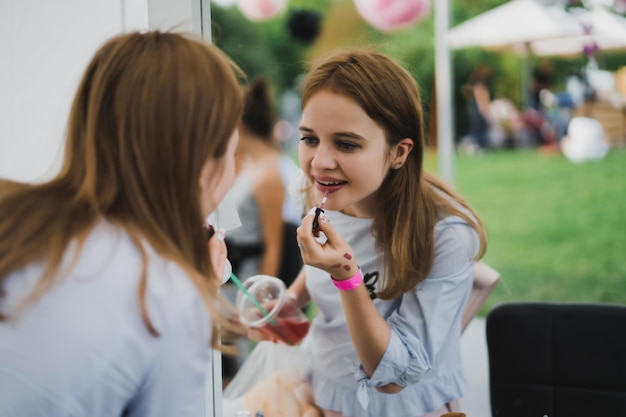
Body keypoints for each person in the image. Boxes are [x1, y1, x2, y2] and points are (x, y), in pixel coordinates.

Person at [0, 30, 243, 416]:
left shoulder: (15, 215)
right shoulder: (169, 295)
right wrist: (200, 292)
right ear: (202, 164)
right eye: (233, 150)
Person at [285, 49, 487, 417]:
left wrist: (346, 277)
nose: (319, 162)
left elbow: (394, 376)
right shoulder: (322, 194)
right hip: (328, 393)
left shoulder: (446, 236)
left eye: (346, 144)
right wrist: (292, 299)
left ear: (399, 152)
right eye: (309, 138)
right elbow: (322, 255)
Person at [225, 77, 301, 284]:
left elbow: (273, 248)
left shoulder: (269, 175)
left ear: (239, 125)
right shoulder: (249, 166)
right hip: (233, 281)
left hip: (247, 285)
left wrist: (259, 303)